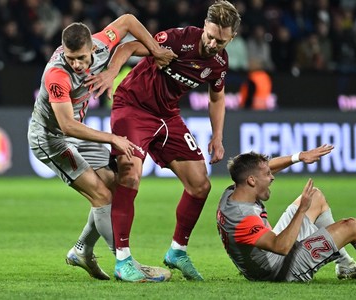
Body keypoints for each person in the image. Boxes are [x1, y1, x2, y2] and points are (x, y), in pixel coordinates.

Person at [86, 0, 241, 282]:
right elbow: (129, 46)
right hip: (132, 107)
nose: (213, 43)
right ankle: (123, 260)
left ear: (231, 38)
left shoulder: (219, 62)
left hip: (167, 117)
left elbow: (217, 97)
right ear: (204, 26)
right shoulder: (178, 40)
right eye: (210, 35)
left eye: (221, 40)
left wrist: (217, 136)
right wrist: (111, 72)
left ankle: (177, 251)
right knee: (130, 175)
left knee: (200, 185)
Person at [27, 14, 176, 281]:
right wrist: (112, 139)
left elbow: (129, 21)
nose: (76, 64)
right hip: (51, 139)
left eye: (81, 58)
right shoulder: (57, 75)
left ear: (92, 48)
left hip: (78, 133)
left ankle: (81, 251)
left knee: (116, 183)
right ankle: (126, 263)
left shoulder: (102, 43)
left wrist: (153, 51)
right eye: (70, 57)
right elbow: (67, 127)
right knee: (101, 196)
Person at [216, 146, 356, 282]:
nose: (272, 177)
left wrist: (298, 157)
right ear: (252, 181)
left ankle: (345, 264)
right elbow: (281, 247)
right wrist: (300, 211)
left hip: (264, 257)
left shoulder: (234, 192)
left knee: (316, 197)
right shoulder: (244, 219)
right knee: (351, 227)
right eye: (267, 175)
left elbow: (261, 168)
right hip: (278, 269)